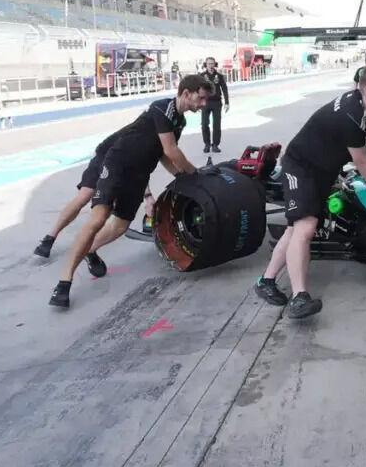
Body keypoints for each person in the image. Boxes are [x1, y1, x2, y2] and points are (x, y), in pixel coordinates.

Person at [48, 74, 213, 307]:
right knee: (99, 218)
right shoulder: (162, 108)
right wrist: (195, 174)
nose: (204, 104)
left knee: (120, 225)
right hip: (118, 163)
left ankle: (90, 250)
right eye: (201, 98)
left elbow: (164, 155)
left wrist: (180, 176)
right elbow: (172, 151)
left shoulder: (180, 122)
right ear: (186, 93)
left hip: (139, 174)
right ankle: (64, 282)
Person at [253, 66, 366, 318]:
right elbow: (361, 160)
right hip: (301, 167)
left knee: (294, 230)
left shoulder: (358, 104)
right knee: (305, 227)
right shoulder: (351, 114)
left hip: (320, 171)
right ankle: (299, 297)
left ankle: (265, 281)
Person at [33, 130, 154, 259]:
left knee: (108, 201)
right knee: (85, 196)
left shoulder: (151, 132)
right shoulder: (147, 134)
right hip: (106, 158)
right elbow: (140, 166)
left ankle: (100, 234)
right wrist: (147, 196)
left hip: (117, 162)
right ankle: (50, 238)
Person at [201, 57, 230, 153]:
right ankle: (207, 144)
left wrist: (227, 102)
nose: (210, 65)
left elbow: (224, 88)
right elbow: (197, 90)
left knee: (217, 125)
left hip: (217, 103)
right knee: (204, 124)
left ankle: (215, 145)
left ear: (215, 64)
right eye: (209, 64)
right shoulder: (202, 76)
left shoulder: (219, 76)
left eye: (212, 63)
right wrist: (197, 102)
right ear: (206, 65)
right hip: (205, 103)